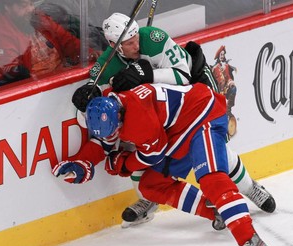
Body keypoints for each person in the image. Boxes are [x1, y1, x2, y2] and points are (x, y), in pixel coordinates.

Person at [71, 13, 276, 228]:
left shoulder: (151, 37)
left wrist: (147, 73)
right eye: (129, 43)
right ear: (114, 45)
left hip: (195, 92)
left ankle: (249, 187)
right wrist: (87, 95)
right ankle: (150, 199)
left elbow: (182, 76)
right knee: (138, 150)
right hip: (161, 112)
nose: (136, 45)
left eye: (136, 39)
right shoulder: (106, 64)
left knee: (214, 149)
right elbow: (95, 98)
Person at [52, 82, 275, 246]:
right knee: (151, 185)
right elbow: (105, 142)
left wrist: (123, 164)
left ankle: (253, 245)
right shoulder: (112, 104)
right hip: (178, 130)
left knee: (212, 178)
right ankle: (217, 211)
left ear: (117, 115)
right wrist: (82, 162)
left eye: (115, 130)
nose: (114, 136)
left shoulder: (136, 120)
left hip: (202, 115)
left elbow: (152, 154)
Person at [0, 0, 99, 88]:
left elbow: (67, 41)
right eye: (23, 5)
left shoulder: (37, 18)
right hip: (36, 93)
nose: (30, 9)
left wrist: (92, 54)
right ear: (6, 7)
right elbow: (12, 79)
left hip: (61, 80)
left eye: (31, 3)